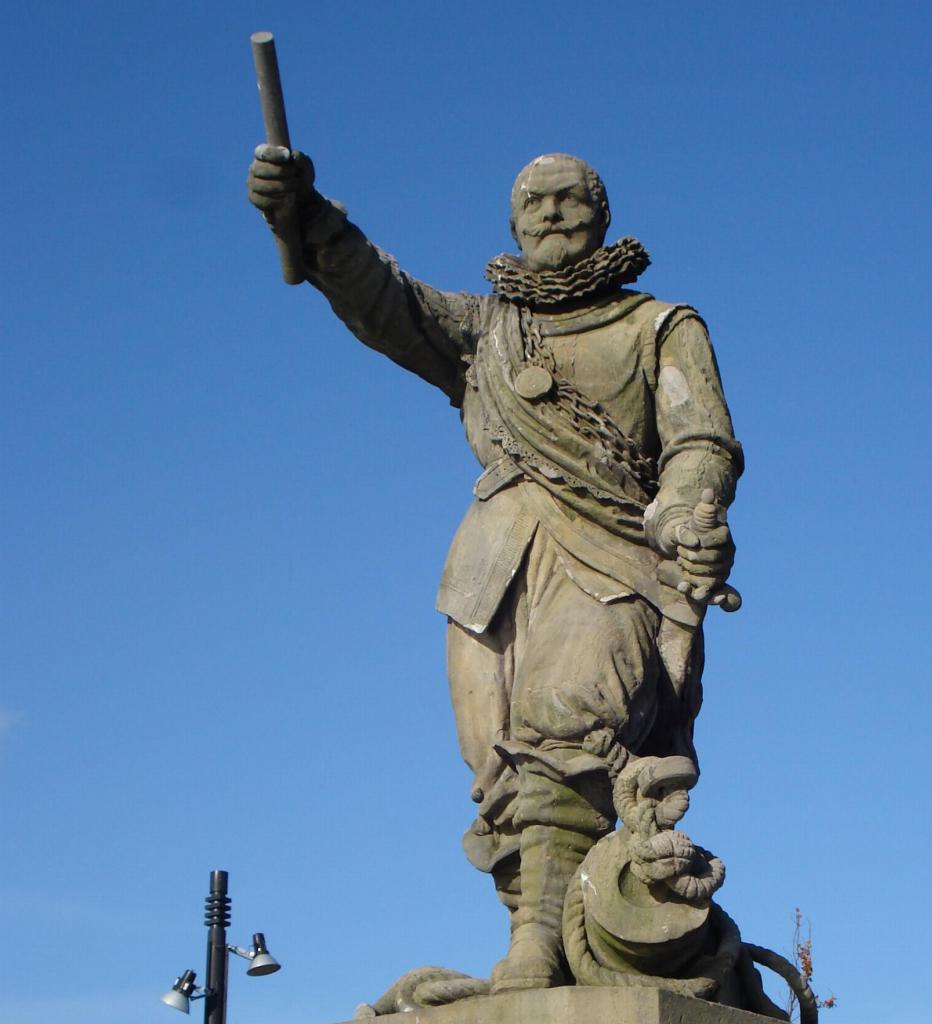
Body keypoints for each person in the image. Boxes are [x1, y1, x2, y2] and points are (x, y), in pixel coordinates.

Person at [247, 149, 744, 992]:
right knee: (499, 770)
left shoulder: (660, 325)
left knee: (569, 726)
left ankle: (542, 949)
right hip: (494, 569)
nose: (550, 213)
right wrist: (309, 217)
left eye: (569, 199)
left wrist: (685, 508)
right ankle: (553, 929)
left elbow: (701, 442)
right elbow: (386, 302)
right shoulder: (487, 332)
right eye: (533, 202)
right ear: (513, 222)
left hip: (615, 558)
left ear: (603, 212)